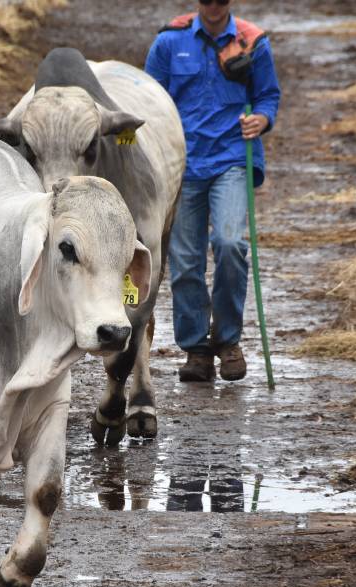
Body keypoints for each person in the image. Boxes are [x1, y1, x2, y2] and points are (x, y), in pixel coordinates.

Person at [145, 0, 281, 382]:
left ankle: (228, 340)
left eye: (221, 0)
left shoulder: (252, 43)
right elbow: (149, 97)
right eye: (208, 0)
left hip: (232, 157)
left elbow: (269, 94)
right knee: (186, 258)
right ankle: (196, 349)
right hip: (182, 164)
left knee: (229, 243)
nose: (215, 6)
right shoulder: (169, 43)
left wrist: (263, 118)